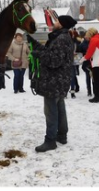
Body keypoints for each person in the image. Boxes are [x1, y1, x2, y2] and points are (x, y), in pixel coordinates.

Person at [26, 15, 75, 152]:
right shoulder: (62, 37)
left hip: (54, 81)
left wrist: (37, 54)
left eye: (57, 21)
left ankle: (50, 140)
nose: (55, 22)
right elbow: (52, 53)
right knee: (59, 108)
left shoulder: (61, 39)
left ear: (62, 24)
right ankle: (62, 135)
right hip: (59, 81)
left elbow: (54, 61)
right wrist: (37, 46)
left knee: (51, 111)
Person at [79, 28, 99, 103]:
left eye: (87, 36)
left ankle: (96, 97)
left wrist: (82, 59)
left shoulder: (94, 40)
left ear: (90, 34)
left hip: (97, 63)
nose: (87, 38)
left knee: (96, 81)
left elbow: (89, 53)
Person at [76, 31, 92, 96]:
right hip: (86, 62)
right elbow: (78, 52)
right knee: (88, 77)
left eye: (88, 35)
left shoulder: (93, 42)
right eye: (86, 35)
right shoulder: (82, 44)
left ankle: (95, 89)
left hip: (93, 62)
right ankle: (89, 91)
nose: (87, 37)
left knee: (94, 78)